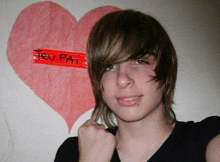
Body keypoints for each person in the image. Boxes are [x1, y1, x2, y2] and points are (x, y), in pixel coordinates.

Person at [54, 9, 220, 162]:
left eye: (140, 61)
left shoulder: (207, 137)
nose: (122, 79)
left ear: (167, 73)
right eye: (108, 66)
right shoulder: (74, 152)